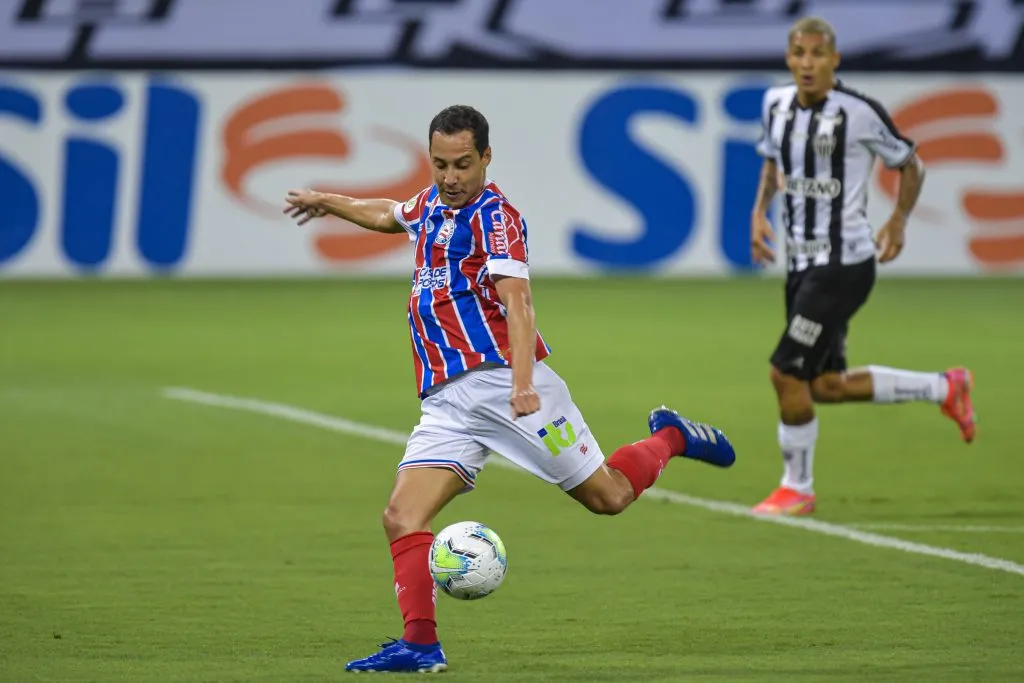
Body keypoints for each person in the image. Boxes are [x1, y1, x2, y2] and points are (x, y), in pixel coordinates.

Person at [283, 104, 737, 673]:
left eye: (463, 164)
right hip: (447, 403)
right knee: (401, 517)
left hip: (507, 387)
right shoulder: (430, 204)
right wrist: (328, 201)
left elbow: (518, 303)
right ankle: (421, 646)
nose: (450, 177)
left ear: (486, 158)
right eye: (440, 164)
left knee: (609, 497)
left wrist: (523, 383)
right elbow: (388, 214)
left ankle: (670, 437)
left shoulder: (495, 218)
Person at [749, 17, 976, 517]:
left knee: (785, 373)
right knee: (825, 386)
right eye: (798, 53)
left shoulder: (859, 113)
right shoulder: (774, 104)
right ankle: (946, 387)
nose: (807, 63)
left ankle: (797, 488)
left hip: (844, 264)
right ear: (789, 59)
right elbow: (772, 162)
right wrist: (758, 213)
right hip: (801, 264)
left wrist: (898, 220)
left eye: (817, 54)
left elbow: (911, 162)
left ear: (835, 60)